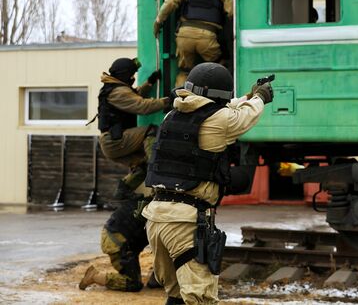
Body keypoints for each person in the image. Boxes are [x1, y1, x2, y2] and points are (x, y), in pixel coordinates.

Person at [142, 62, 274, 305]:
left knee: (176, 295)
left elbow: (219, 108)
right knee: (199, 298)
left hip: (156, 217)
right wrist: (259, 98)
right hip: (184, 220)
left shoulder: (172, 115)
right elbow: (243, 116)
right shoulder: (220, 120)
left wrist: (247, 95)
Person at [97, 57, 170, 200]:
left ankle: (124, 190)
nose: (132, 78)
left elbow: (133, 96)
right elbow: (142, 106)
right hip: (115, 141)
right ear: (124, 74)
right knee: (151, 131)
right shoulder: (117, 92)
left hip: (113, 142)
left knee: (141, 166)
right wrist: (168, 101)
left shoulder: (113, 88)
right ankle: (156, 171)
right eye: (131, 75)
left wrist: (149, 83)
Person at [153, 0, 233, 87]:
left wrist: (158, 21)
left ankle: (181, 99)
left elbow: (170, 3)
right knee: (218, 69)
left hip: (184, 36)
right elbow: (233, 10)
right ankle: (215, 99)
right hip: (208, 37)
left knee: (185, 71)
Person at [79, 191, 153, 292]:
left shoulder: (151, 201)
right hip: (117, 242)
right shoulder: (155, 207)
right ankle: (95, 276)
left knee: (136, 277)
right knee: (133, 283)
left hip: (117, 238)